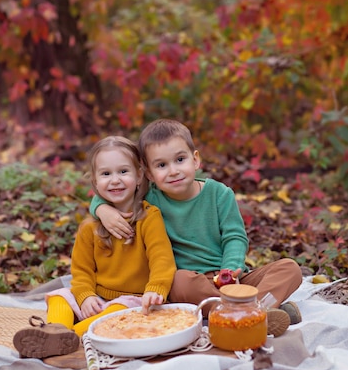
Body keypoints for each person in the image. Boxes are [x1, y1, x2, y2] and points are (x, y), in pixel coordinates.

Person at [90, 119, 303, 337]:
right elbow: (114, 194)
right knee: (179, 280)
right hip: (190, 284)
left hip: (229, 277)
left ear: (195, 160)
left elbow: (235, 237)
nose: (173, 171)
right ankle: (256, 312)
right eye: (161, 165)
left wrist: (230, 268)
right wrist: (101, 209)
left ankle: (246, 312)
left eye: (180, 160)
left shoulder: (220, 194)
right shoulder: (150, 197)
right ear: (149, 174)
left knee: (289, 268)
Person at [13, 135, 177, 359]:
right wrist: (86, 296)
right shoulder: (89, 226)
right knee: (60, 296)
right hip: (98, 298)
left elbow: (162, 260)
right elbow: (81, 271)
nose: (115, 180)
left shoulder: (150, 218)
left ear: (139, 175)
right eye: (106, 174)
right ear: (95, 182)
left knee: (118, 315)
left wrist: (156, 289)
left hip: (134, 299)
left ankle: (71, 337)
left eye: (123, 172)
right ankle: (54, 331)